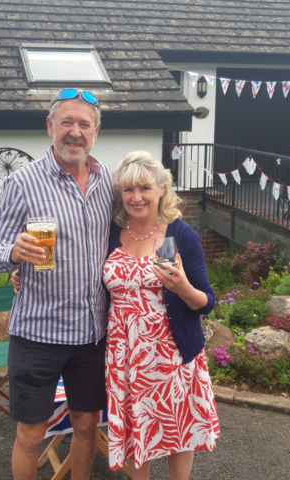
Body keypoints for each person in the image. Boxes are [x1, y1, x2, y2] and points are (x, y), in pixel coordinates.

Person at [0, 89, 113, 480]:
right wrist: (14, 253)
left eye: (84, 124)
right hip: (38, 333)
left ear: (96, 132)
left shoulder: (109, 180)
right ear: (50, 127)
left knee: (87, 424)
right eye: (67, 123)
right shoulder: (23, 182)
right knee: (31, 433)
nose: (75, 132)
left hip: (92, 334)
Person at [103, 151, 220, 479]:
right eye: (128, 190)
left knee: (177, 430)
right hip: (125, 355)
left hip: (171, 352)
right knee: (136, 427)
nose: (136, 197)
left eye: (144, 188)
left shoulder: (181, 235)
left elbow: (207, 302)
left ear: (161, 190)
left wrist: (183, 286)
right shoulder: (112, 232)